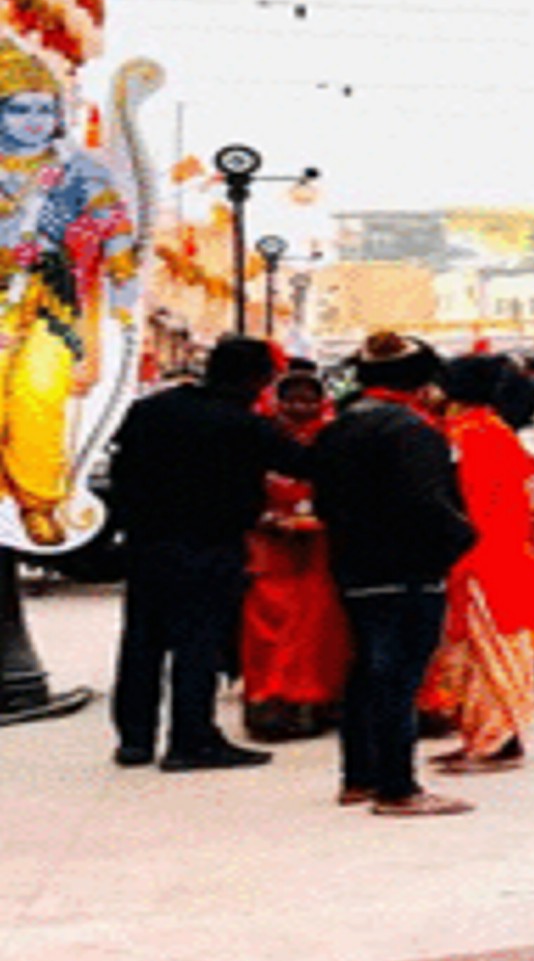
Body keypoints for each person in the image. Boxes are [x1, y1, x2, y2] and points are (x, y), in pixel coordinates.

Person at [106, 335, 309, 770]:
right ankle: (191, 740)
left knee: (142, 642)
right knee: (197, 644)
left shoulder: (152, 410)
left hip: (148, 544)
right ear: (259, 380)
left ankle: (134, 741)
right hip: (210, 544)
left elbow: (121, 472)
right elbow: (300, 463)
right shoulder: (243, 424)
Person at [311, 332, 480, 816]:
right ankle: (398, 786)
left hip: (354, 563)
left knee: (365, 670)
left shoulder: (338, 427)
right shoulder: (412, 431)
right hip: (408, 566)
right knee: (399, 677)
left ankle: (358, 777)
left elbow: (323, 500)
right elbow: (426, 503)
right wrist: (459, 539)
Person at [0, 47, 136, 548]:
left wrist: (120, 261)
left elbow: (113, 220)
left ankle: (38, 502)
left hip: (52, 298)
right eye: (19, 109)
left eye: (43, 109)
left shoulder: (77, 168)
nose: (34, 121)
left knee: (38, 392)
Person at [419, 354, 534, 774]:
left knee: (485, 655)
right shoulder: (493, 431)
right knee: (497, 652)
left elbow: (469, 502)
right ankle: (491, 737)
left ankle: (493, 741)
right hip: (505, 555)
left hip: (481, 559)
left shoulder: (467, 435)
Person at [240, 367, 345, 743]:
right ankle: (269, 703)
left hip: (319, 550)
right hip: (270, 551)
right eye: (292, 399)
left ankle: (315, 702)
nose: (301, 407)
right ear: (277, 401)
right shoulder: (261, 437)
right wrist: (267, 518)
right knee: (267, 628)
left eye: (309, 399)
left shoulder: (334, 438)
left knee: (319, 630)